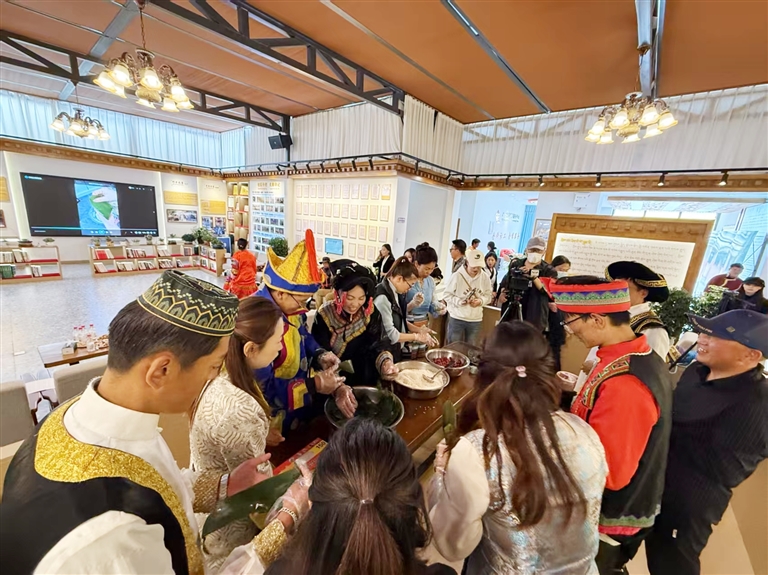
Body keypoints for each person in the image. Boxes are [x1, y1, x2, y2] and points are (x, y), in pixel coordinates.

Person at [0, 270, 289, 573]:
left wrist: (225, 485)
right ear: (161, 371)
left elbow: (158, 486)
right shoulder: (112, 539)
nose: (215, 378)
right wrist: (282, 526)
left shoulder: (73, 417)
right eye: (215, 366)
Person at [428, 321, 607, 574]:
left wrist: (441, 475)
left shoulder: (478, 452)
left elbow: (454, 546)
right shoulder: (584, 431)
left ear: (483, 376)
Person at [551, 276, 673, 575]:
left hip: (610, 515)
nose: (569, 331)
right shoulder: (627, 355)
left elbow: (611, 473)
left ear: (596, 319)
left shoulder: (626, 385)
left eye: (571, 321)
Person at [645, 310, 768, 575]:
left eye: (715, 336)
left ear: (751, 355)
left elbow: (731, 468)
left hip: (689, 500)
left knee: (672, 563)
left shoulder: (758, 401)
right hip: (656, 481)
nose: (702, 339)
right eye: (704, 332)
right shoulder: (696, 371)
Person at [249, 419, 456, 575]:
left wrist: (287, 514)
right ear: (415, 502)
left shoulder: (282, 571)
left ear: (312, 505)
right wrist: (440, 475)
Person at [189, 296, 285, 571]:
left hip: (207, 508)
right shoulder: (238, 408)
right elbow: (258, 491)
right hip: (229, 531)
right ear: (251, 349)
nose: (281, 347)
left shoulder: (218, 373)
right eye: (278, 341)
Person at [253, 230, 353, 434]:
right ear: (280, 293)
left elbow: (303, 336)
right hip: (270, 421)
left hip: (297, 410)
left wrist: (320, 354)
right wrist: (315, 384)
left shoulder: (290, 309)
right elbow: (263, 389)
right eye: (300, 301)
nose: (303, 308)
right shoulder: (257, 323)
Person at [312, 261, 399, 387]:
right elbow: (318, 351)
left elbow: (379, 342)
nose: (355, 304)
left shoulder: (369, 311)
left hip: (366, 374)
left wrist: (385, 362)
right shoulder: (324, 314)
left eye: (361, 298)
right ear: (337, 294)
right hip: (335, 378)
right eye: (350, 298)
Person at [374, 256, 438, 359]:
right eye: (410, 285)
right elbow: (392, 334)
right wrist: (417, 337)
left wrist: (419, 330)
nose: (409, 289)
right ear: (399, 278)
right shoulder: (383, 298)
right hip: (383, 353)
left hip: (395, 349)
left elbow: (400, 319)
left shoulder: (397, 292)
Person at [607, 261, 672, 360]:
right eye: (614, 288)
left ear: (643, 293)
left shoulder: (654, 330)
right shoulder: (609, 317)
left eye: (624, 289)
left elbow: (653, 368)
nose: (616, 293)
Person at [497, 236, 557, 331]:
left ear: (544, 251)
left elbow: (549, 292)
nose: (535, 253)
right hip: (512, 310)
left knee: (529, 338)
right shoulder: (516, 264)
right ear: (526, 250)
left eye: (538, 250)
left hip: (535, 313)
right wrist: (503, 292)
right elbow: (506, 282)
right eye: (532, 250)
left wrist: (533, 277)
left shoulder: (548, 270)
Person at [443, 248, 493, 345]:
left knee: (471, 348)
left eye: (479, 266)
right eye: (473, 266)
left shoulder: (485, 277)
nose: (476, 269)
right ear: (467, 262)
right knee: (453, 346)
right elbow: (447, 295)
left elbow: (488, 296)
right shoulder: (457, 275)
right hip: (456, 317)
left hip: (475, 319)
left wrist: (481, 301)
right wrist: (459, 301)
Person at [405, 242, 447, 320]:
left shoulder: (430, 281)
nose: (429, 272)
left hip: (423, 321)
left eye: (432, 269)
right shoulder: (406, 279)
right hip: (407, 321)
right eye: (427, 269)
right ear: (417, 264)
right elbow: (397, 309)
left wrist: (438, 308)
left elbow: (431, 304)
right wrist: (412, 304)